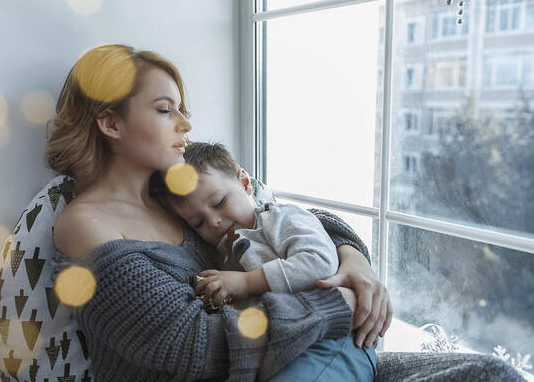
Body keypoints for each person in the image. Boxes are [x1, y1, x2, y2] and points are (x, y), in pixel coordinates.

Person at [46, 44, 391, 381]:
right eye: (166, 110)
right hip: (292, 350)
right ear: (112, 125)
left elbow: (286, 218)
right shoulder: (86, 225)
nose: (185, 125)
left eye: (182, 110)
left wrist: (355, 266)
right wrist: (337, 303)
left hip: (306, 348)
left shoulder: (174, 188)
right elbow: (194, 343)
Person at [155, 141, 378, 381]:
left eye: (220, 202)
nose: (213, 222)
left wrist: (245, 282)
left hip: (332, 340)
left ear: (244, 183)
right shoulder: (222, 253)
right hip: (283, 349)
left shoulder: (279, 218)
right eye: (198, 222)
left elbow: (319, 262)